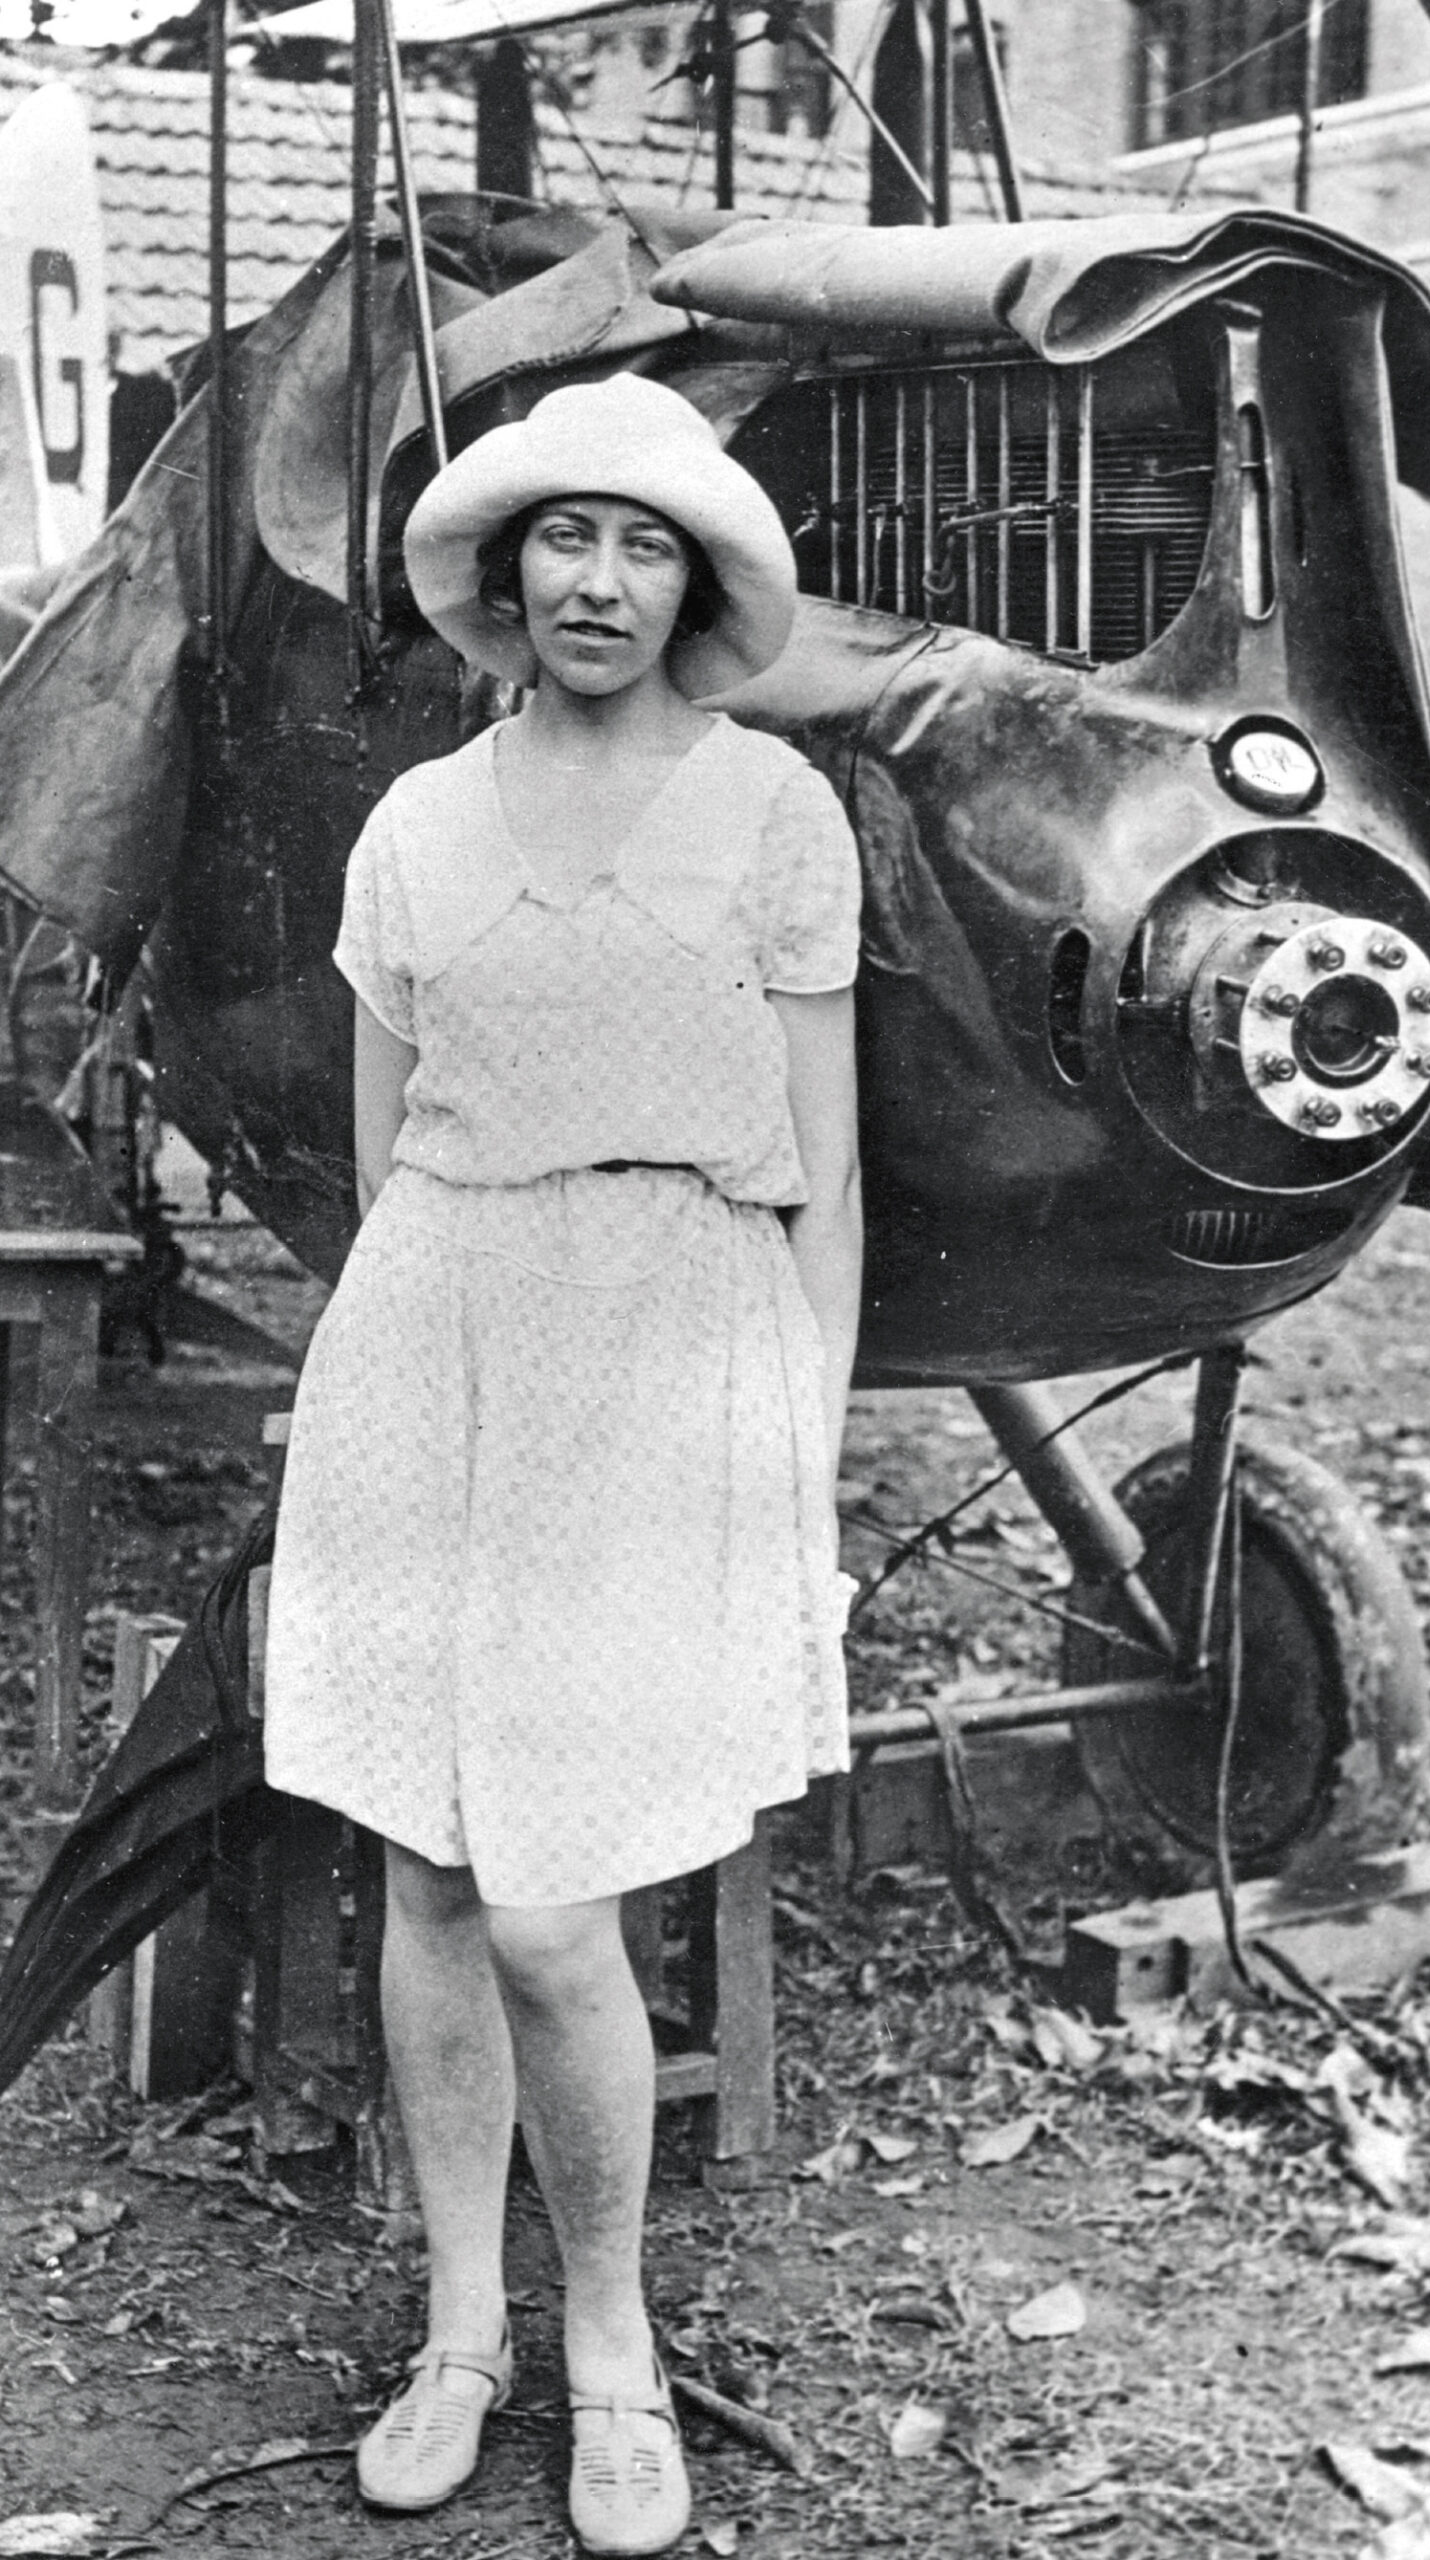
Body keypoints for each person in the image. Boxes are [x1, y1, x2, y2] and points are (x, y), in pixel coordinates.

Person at [262, 370, 862, 2554]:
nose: (598, 580)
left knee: (547, 1903)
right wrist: (431, 1338)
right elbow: (381, 1163)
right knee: (432, 1871)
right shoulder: (414, 826)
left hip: (670, 1354)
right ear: (505, 576)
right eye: (562, 539)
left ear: (693, 585)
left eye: (642, 545)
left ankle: (612, 2344)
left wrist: (795, 1464)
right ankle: (463, 2329)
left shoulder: (777, 810)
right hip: (437, 1344)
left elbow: (827, 1183)